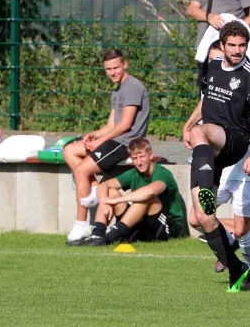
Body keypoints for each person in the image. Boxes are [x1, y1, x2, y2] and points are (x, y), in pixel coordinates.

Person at [182, 21, 250, 293]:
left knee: (243, 227)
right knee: (199, 217)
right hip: (211, 148)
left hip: (235, 143)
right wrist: (187, 125)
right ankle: (236, 268)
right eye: (231, 45)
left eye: (242, 45)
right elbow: (205, 101)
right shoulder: (213, 67)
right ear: (222, 45)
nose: (237, 50)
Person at [63, 49, 150, 243]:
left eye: (115, 68)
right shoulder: (117, 89)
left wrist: (99, 142)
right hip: (115, 139)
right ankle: (94, 189)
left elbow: (125, 125)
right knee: (69, 150)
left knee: (80, 171)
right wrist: (93, 135)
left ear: (125, 65)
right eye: (108, 69)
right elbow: (111, 125)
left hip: (126, 142)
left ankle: (81, 223)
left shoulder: (132, 87)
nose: (112, 72)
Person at [67, 138, 184, 246]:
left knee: (146, 198)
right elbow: (104, 185)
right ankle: (97, 235)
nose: (139, 162)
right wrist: (104, 201)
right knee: (111, 192)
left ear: (151, 155)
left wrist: (116, 200)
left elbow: (150, 192)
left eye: (142, 156)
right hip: (142, 225)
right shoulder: (134, 173)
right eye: (135, 158)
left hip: (167, 228)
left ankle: (109, 237)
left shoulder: (162, 173)